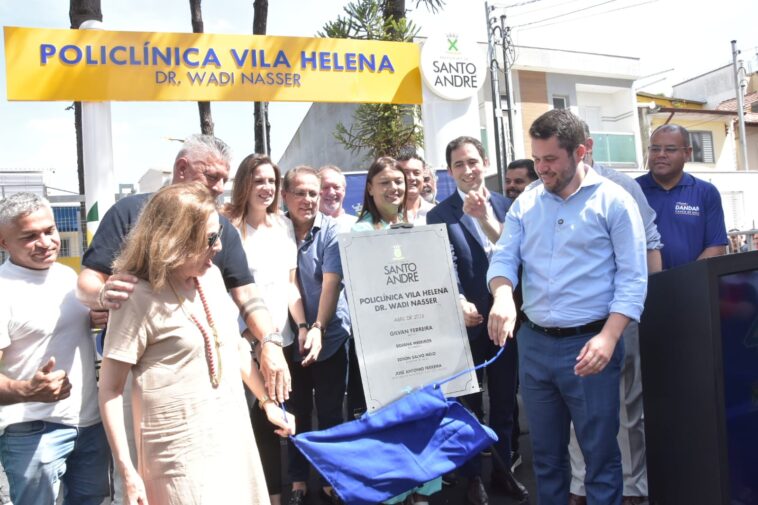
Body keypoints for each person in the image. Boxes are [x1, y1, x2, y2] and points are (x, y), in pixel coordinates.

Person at [76, 134, 290, 504]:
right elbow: (88, 287)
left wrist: (270, 349)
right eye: (212, 177)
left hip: (223, 422)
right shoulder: (134, 282)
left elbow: (238, 324)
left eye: (225, 179)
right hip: (167, 434)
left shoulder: (211, 273)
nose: (218, 248)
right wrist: (128, 471)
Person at [487, 109, 648, 505]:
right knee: (546, 458)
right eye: (536, 159)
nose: (541, 168)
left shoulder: (615, 201)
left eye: (550, 159)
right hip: (535, 345)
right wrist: (503, 295)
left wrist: (609, 337)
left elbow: (633, 279)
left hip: (590, 346)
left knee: (600, 457)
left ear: (581, 151)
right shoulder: (527, 203)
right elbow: (504, 257)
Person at [567, 121, 663, 505]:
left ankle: (633, 486)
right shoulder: (547, 191)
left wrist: (649, 306)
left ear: (586, 147)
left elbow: (650, 245)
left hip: (620, 317)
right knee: (577, 406)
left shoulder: (622, 187)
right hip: (571, 320)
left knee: (626, 406)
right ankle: (580, 484)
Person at [426, 137, 527, 505]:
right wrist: (458, 299)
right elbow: (444, 266)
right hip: (465, 323)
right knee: (467, 404)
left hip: (507, 320)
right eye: (458, 164)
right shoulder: (439, 214)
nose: (467, 170)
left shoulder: (509, 206)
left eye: (472, 161)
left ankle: (502, 471)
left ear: (485, 162)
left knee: (504, 400)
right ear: (449, 170)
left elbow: (519, 256)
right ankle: (472, 479)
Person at [0, 193, 110, 505]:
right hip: (31, 430)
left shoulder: (67, 276)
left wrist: (91, 318)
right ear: (3, 242)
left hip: (89, 423)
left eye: (49, 231)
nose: (45, 242)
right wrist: (26, 390)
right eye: (29, 236)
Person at [223, 154, 315, 505]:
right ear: (244, 183)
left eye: (272, 181)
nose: (266, 188)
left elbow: (290, 285)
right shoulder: (228, 227)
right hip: (243, 345)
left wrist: (302, 325)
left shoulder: (283, 225)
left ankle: (276, 496)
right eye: (259, 180)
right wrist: (251, 336)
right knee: (251, 426)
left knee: (276, 424)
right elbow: (229, 289)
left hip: (282, 342)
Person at [281, 166, 350, 505]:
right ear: (285, 196)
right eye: (300, 192)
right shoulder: (276, 230)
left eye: (313, 192)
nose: (308, 199)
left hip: (330, 337)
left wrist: (318, 328)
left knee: (330, 412)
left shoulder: (332, 230)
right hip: (289, 337)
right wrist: (302, 329)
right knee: (297, 411)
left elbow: (331, 283)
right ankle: (297, 479)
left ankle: (329, 477)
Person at [636, 124, 728, 269]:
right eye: (655, 149)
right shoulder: (632, 191)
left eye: (670, 149)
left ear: (687, 153)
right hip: (644, 282)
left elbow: (716, 246)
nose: (661, 154)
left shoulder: (706, 192)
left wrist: (687, 278)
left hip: (694, 281)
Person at [353, 157, 408, 231]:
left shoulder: (412, 221)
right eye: (385, 182)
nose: (393, 188)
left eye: (398, 182)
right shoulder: (362, 230)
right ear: (370, 189)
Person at [397, 149, 435, 224]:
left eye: (416, 173)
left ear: (423, 177)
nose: (411, 178)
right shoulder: (386, 214)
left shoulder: (435, 212)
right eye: (405, 173)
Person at [318, 165, 357, 232]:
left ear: (344, 190)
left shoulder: (357, 226)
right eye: (325, 187)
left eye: (336, 187)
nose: (331, 193)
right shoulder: (305, 227)